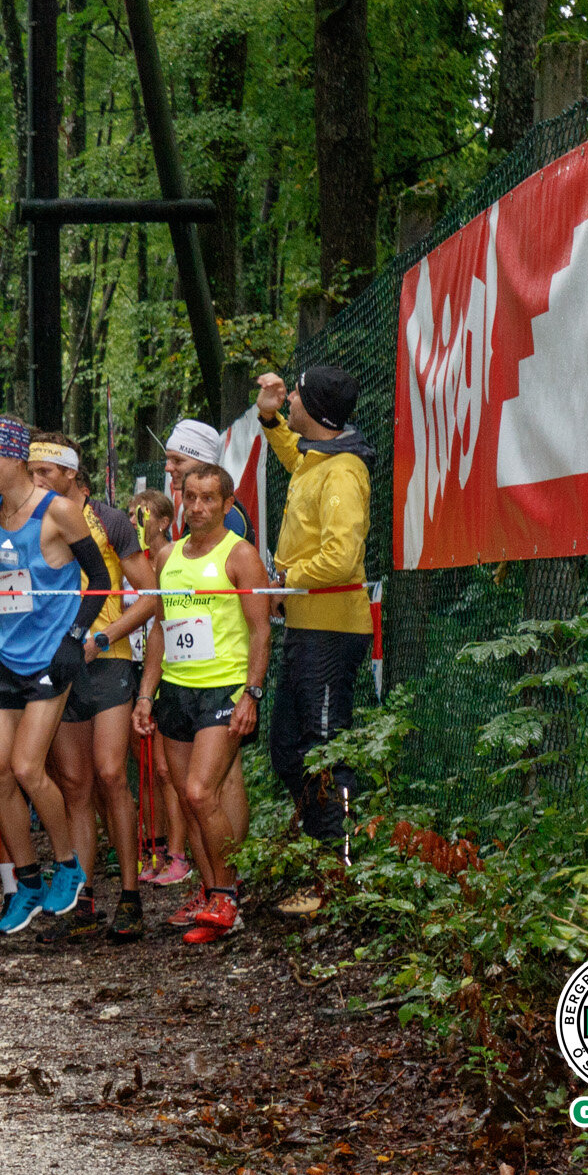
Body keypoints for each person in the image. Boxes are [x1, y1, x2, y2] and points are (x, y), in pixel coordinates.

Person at [0, 414, 116, 936]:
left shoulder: (60, 513)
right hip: (4, 659)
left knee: (29, 769)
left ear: (15, 459)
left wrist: (77, 639)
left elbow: (98, 580)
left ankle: (69, 867)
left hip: (50, 659)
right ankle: (28, 882)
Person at [124, 462, 271, 942]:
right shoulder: (167, 558)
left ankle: (227, 895)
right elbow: (162, 629)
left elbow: (261, 630)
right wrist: (146, 694)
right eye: (192, 497)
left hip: (224, 688)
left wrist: (252, 692)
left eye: (210, 498)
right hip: (177, 689)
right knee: (184, 796)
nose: (200, 506)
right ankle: (212, 893)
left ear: (228, 504)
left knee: (199, 792)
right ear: (180, 500)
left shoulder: (241, 555)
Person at [30, 433, 154, 943]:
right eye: (31, 472)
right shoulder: (34, 521)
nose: (36, 481)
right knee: (75, 785)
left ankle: (130, 896)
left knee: (110, 774)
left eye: (44, 473)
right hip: (58, 662)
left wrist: (102, 636)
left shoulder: (110, 519)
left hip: (108, 658)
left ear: (70, 475)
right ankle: (82, 902)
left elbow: (149, 596)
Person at [257, 367, 373, 894]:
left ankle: (340, 874)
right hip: (304, 629)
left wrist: (285, 581)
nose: (292, 398)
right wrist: (270, 415)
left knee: (325, 749)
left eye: (297, 393)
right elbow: (289, 454)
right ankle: (320, 855)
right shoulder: (314, 458)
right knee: (286, 750)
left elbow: (343, 558)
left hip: (331, 630)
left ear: (320, 410)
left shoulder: (343, 472)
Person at [125, 488, 194, 888]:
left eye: (143, 515)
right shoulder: (126, 560)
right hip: (133, 666)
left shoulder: (173, 558)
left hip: (175, 670)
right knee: (147, 766)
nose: (136, 522)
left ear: (165, 522)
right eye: (130, 515)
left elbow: (161, 616)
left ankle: (178, 851)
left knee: (168, 768)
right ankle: (153, 846)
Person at [161, 420, 250, 540]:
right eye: (168, 460)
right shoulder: (205, 511)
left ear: (204, 464)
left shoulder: (227, 517)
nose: (168, 468)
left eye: (178, 461)